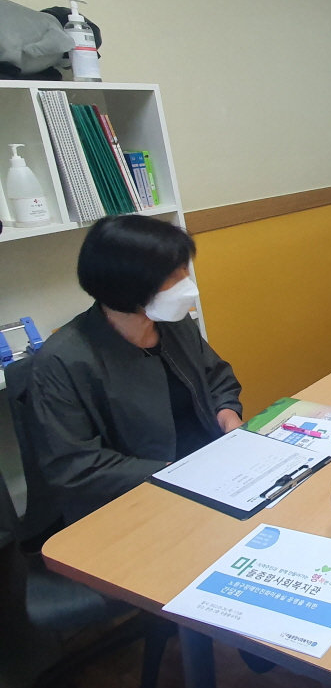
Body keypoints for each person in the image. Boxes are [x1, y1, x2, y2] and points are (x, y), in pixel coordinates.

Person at [27, 215, 243, 524]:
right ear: (127, 283)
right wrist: (177, 473)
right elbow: (76, 465)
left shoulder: (173, 323)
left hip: (212, 471)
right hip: (137, 501)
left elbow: (216, 377)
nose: (187, 285)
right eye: (172, 276)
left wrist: (228, 414)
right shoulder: (61, 362)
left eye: (184, 270)